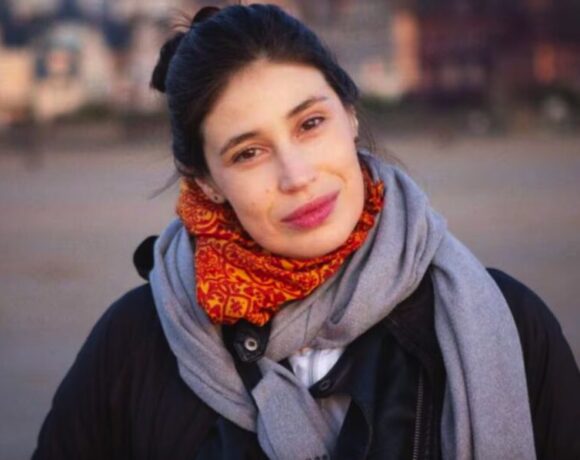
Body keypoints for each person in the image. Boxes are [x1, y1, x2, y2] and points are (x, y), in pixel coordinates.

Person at [33, 4, 580, 460]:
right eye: (248, 153)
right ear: (207, 182)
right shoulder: (133, 346)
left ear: (350, 115)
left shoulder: (508, 323)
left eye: (311, 124)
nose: (297, 176)